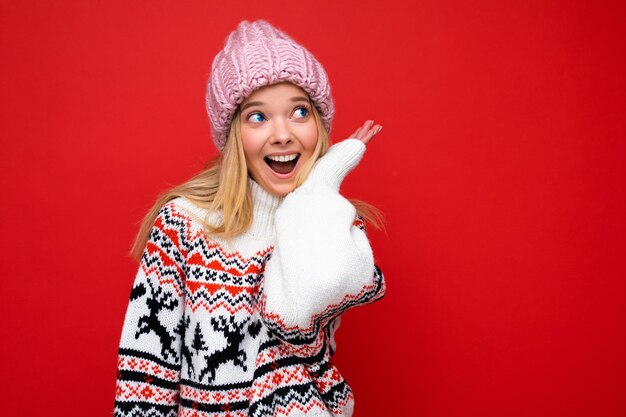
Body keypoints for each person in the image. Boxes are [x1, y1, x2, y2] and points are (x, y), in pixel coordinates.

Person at [114, 20, 386, 417]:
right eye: (257, 117)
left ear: (319, 126)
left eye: (299, 111)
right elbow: (145, 375)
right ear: (233, 137)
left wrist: (320, 187)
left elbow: (299, 329)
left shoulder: (329, 224)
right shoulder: (184, 224)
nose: (281, 134)